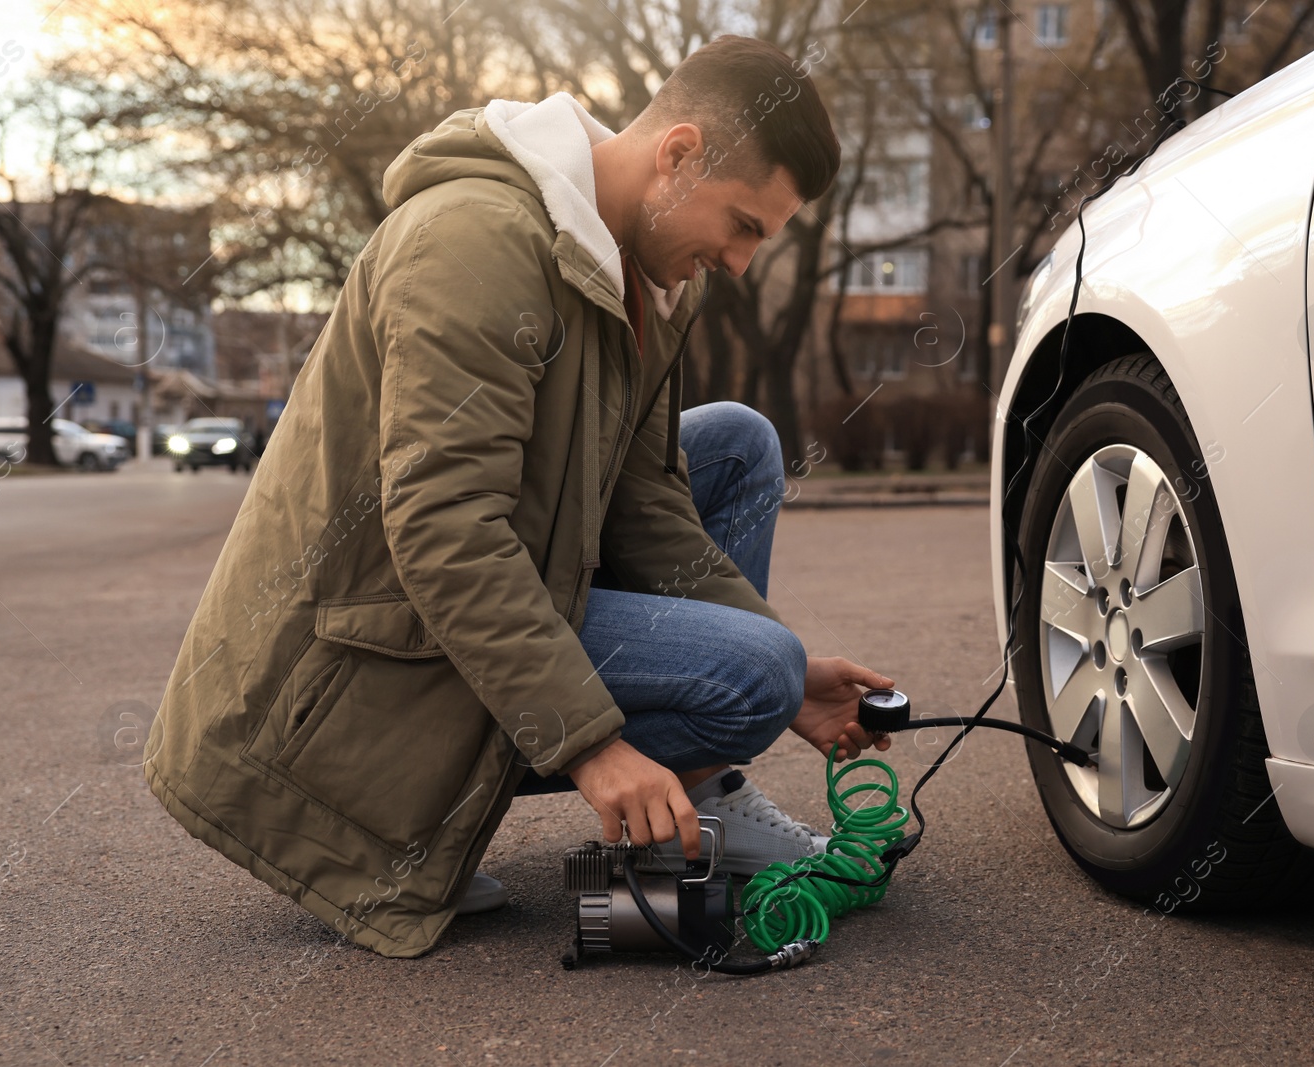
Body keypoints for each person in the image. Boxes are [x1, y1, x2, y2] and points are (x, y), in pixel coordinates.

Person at [145, 34, 891, 959]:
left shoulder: (651, 277)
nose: (740, 261)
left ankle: (697, 797)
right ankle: (420, 816)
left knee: (736, 444)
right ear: (679, 154)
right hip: (355, 661)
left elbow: (648, 504)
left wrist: (791, 674)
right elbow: (444, 529)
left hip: (477, 590)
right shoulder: (473, 244)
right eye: (742, 222)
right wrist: (590, 745)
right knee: (754, 670)